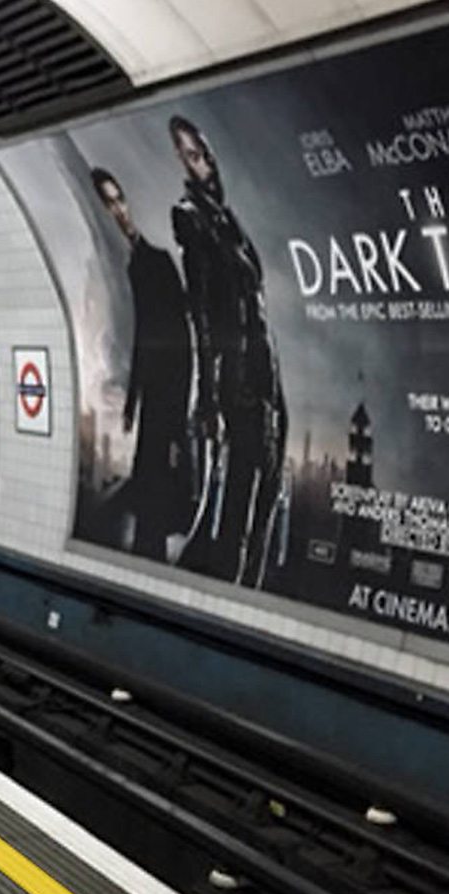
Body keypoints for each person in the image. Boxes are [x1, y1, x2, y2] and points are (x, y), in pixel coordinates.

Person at [168, 115, 290, 586]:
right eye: (192, 156)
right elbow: (199, 309)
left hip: (266, 363)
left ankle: (248, 588)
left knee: (272, 480)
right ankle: (223, 585)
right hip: (235, 371)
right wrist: (208, 391)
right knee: (241, 487)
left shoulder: (227, 217)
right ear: (183, 162)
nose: (205, 163)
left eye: (206, 151)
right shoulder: (190, 216)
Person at [92, 166, 196, 561]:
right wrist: (133, 398)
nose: (117, 210)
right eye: (108, 203)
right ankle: (147, 553)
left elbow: (172, 333)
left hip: (167, 388)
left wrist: (174, 400)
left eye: (119, 199)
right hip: (151, 390)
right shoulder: (121, 266)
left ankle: (150, 552)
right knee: (150, 477)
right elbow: (138, 335)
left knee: (157, 477)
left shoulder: (154, 260)